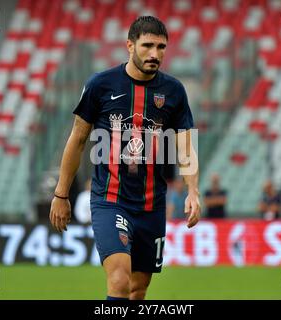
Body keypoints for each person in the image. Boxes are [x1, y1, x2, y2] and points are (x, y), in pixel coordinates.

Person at [49, 16, 200, 300]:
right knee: (119, 280)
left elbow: (185, 148)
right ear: (129, 45)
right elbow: (78, 139)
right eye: (147, 46)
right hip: (110, 200)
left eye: (161, 47)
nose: (155, 54)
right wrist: (61, 193)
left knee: (137, 289)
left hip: (152, 206)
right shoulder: (101, 85)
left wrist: (193, 191)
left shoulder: (174, 92)